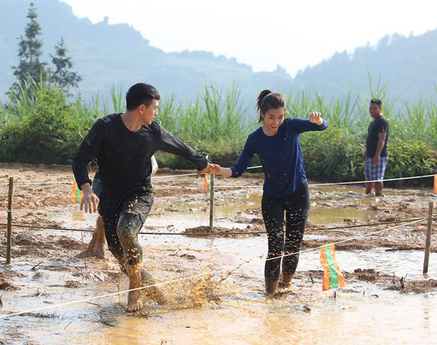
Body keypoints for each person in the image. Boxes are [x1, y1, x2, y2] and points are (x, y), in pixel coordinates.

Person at [72, 83, 208, 312]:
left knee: (126, 230)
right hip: (111, 196)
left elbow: (180, 147)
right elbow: (79, 159)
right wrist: (86, 189)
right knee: (119, 253)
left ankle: (134, 292)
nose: (157, 113)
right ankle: (159, 295)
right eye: (155, 108)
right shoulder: (105, 127)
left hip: (140, 193)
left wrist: (203, 164)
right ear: (142, 108)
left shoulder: (153, 131)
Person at [199, 90, 327, 296]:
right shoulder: (255, 139)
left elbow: (321, 127)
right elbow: (238, 169)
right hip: (272, 198)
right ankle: (269, 295)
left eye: (280, 117)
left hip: (298, 194)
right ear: (262, 114)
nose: (276, 122)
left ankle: (286, 286)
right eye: (271, 117)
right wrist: (218, 170)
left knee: (294, 244)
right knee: (276, 246)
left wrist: (319, 120)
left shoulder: (291, 126)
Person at [80, 156, 158, 259]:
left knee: (127, 218)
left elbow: (154, 164)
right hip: (105, 180)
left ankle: (99, 242)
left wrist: (143, 175)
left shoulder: (143, 141)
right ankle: (100, 241)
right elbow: (81, 158)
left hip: (133, 184)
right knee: (106, 212)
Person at [363, 98, 389, 197]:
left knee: (377, 178)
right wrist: (366, 153)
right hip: (370, 154)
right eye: (370, 108)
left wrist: (377, 155)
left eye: (374, 108)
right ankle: (367, 194)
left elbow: (382, 139)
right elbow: (370, 139)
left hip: (379, 155)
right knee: (369, 177)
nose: (372, 110)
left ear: (380, 108)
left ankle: (379, 195)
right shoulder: (373, 122)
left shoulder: (382, 121)